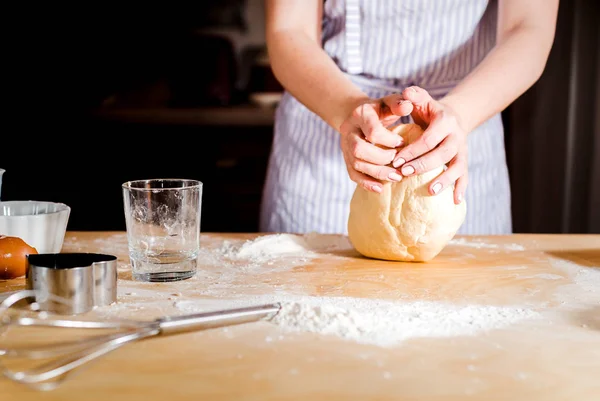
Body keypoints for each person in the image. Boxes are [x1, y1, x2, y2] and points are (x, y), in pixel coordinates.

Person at [259, 0, 559, 235]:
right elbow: (289, 29)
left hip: (465, 117)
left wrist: (459, 113)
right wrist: (349, 108)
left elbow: (528, 26)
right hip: (329, 114)